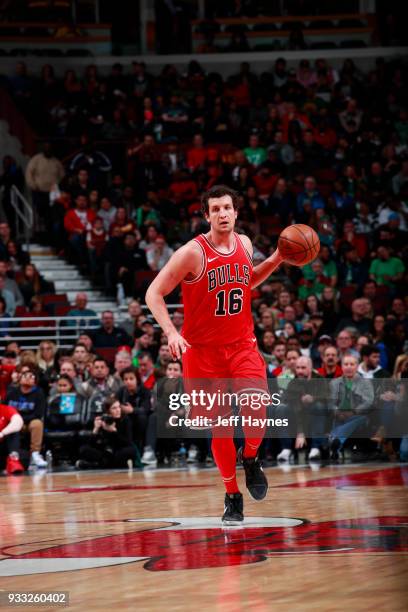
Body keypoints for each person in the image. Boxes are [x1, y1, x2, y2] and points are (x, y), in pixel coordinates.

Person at [146, 185, 285, 525]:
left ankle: (251, 456)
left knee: (257, 408)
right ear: (206, 215)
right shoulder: (192, 253)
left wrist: (278, 258)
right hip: (203, 354)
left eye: (227, 207)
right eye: (216, 209)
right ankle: (232, 496)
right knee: (220, 428)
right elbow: (153, 293)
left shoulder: (246, 244)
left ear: (236, 212)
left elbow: (246, 282)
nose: (223, 213)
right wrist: (171, 332)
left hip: (242, 345)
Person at [76, 396, 135, 469]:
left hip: (118, 450)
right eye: (114, 408)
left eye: (119, 407)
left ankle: (96, 465)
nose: (118, 410)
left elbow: (127, 442)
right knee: (83, 449)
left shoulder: (125, 420)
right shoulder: (103, 419)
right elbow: (92, 444)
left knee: (130, 450)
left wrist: (114, 431)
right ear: (108, 411)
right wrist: (96, 429)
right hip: (105, 452)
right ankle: (105, 464)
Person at [6, 366, 48, 467]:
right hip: (14, 423)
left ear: (35, 382)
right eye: (25, 376)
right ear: (20, 379)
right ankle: (11, 455)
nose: (28, 378)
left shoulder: (39, 394)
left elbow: (38, 414)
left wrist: (20, 419)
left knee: (37, 424)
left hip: (29, 422)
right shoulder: (11, 393)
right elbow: (4, 409)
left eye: (31, 376)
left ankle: (35, 454)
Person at [0, 401, 25, 474]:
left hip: (4, 447)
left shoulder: (5, 409)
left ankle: (13, 459)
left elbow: (18, 422)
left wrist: (2, 433)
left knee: (13, 431)